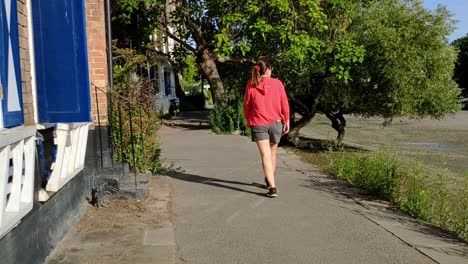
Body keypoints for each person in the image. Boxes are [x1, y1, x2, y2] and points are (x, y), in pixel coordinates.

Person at [244, 58, 290, 198]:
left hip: (258, 123)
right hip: (276, 122)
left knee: (265, 155)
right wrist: (287, 119)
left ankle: (272, 187)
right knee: (272, 154)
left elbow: (247, 104)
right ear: (268, 69)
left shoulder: (251, 84)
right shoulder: (278, 83)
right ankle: (270, 181)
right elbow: (284, 103)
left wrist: (247, 118)